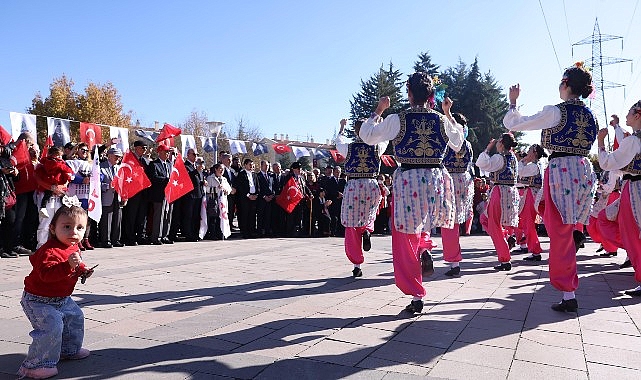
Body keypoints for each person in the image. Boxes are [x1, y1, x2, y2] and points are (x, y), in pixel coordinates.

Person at [359, 72, 464, 313]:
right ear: (430, 96)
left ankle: (417, 295)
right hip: (435, 180)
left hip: (408, 180)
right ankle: (425, 246)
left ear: (409, 94)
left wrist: (378, 110)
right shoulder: (440, 120)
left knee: (404, 236)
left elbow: (367, 136)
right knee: (424, 224)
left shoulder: (398, 119)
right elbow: (458, 143)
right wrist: (447, 113)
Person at [504, 63, 598, 312]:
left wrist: (513, 103)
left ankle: (568, 292)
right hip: (583, 169)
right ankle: (569, 286)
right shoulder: (591, 115)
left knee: (559, 232)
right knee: (565, 229)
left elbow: (515, 124)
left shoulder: (556, 112)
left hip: (562, 172)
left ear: (566, 84)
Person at [17, 197, 95, 379]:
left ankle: (69, 349)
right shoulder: (48, 251)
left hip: (61, 298)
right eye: (66, 226)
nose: (73, 232)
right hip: (38, 299)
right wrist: (68, 266)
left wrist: (83, 270)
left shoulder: (73, 247)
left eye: (79, 228)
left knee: (75, 317)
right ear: (53, 228)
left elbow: (76, 263)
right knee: (52, 326)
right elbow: (47, 275)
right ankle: (36, 365)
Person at [596, 100, 641, 296]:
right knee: (612, 221)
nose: (627, 115)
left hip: (634, 188)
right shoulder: (633, 140)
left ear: (638, 115)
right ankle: (633, 254)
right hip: (632, 187)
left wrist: (600, 142)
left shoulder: (633, 141)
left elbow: (608, 162)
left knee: (631, 232)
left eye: (630, 112)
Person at [336, 118, 386, 277]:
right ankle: (367, 230)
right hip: (371, 185)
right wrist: (378, 126)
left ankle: (357, 265)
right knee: (369, 215)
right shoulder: (377, 146)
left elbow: (338, 142)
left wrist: (341, 128)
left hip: (354, 186)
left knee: (351, 225)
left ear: (356, 131)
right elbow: (385, 138)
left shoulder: (348, 148)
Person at [476, 133, 520, 271]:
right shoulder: (513, 158)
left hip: (499, 192)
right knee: (484, 218)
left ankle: (505, 259)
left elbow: (481, 164)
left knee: (493, 225)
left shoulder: (498, 157)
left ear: (500, 143)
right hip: (510, 192)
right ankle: (506, 237)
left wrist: (487, 149)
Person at [440, 113, 475, 276]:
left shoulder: (447, 142)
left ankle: (454, 262)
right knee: (455, 221)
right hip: (464, 181)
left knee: (448, 223)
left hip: (449, 181)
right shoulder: (467, 144)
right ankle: (454, 260)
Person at [517, 144, 547, 261]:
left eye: (529, 150)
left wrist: (523, 160)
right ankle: (533, 248)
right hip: (533, 194)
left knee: (527, 223)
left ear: (534, 152)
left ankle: (535, 250)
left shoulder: (534, 166)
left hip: (532, 195)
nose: (527, 153)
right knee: (526, 223)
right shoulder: (537, 165)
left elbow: (519, 172)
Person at [66, 142, 95, 251]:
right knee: (76, 219)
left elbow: (99, 175)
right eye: (82, 150)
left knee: (87, 219)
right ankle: (77, 241)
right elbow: (68, 175)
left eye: (87, 150)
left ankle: (85, 239)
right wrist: (81, 180)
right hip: (75, 195)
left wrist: (93, 179)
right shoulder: (70, 162)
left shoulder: (91, 163)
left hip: (88, 195)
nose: (85, 152)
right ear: (76, 150)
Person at [122, 140, 150, 246]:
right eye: (143, 148)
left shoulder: (146, 161)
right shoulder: (129, 160)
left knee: (142, 216)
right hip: (132, 193)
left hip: (144, 193)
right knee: (131, 216)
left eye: (146, 148)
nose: (145, 150)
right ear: (136, 148)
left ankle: (140, 236)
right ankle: (130, 237)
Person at [147, 144, 173, 245]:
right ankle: (156, 236)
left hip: (169, 193)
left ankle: (165, 235)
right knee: (159, 215)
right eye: (166, 152)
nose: (167, 154)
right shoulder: (154, 164)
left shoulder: (170, 164)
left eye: (168, 152)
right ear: (160, 152)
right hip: (159, 194)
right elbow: (153, 178)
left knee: (168, 215)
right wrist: (166, 180)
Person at [37, 147, 75, 219]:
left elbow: (68, 178)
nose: (59, 157)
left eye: (60, 155)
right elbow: (39, 180)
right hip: (49, 190)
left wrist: (60, 187)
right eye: (57, 155)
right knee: (47, 221)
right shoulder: (43, 165)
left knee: (58, 218)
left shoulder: (62, 165)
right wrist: (51, 187)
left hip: (58, 191)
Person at [98, 148, 124, 248]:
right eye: (116, 156)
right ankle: (106, 240)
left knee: (117, 218)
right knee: (106, 220)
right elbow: (97, 183)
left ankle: (116, 239)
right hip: (106, 196)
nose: (118, 158)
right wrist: (108, 186)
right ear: (109, 156)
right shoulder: (101, 167)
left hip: (118, 197)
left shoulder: (119, 168)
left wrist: (124, 196)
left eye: (119, 156)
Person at [0, 138, 19, 258]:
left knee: (11, 222)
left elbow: (16, 180)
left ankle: (9, 248)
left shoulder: (5, 160)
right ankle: (1, 248)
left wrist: (15, 173)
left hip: (8, 196)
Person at [233, 158, 260, 239]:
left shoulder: (254, 174)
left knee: (252, 215)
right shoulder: (241, 174)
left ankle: (252, 231)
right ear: (245, 165)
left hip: (254, 197)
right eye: (249, 164)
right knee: (245, 215)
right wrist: (248, 195)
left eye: (252, 165)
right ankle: (245, 232)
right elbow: (240, 187)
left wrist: (256, 194)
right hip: (245, 198)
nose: (251, 166)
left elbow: (257, 185)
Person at [205, 163, 232, 240]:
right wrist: (216, 188)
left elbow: (229, 189)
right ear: (216, 169)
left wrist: (227, 190)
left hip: (222, 200)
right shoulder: (210, 178)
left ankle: (220, 233)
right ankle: (212, 234)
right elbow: (206, 189)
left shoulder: (224, 179)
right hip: (213, 200)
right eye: (220, 169)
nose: (221, 171)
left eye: (223, 169)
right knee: (213, 217)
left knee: (221, 218)